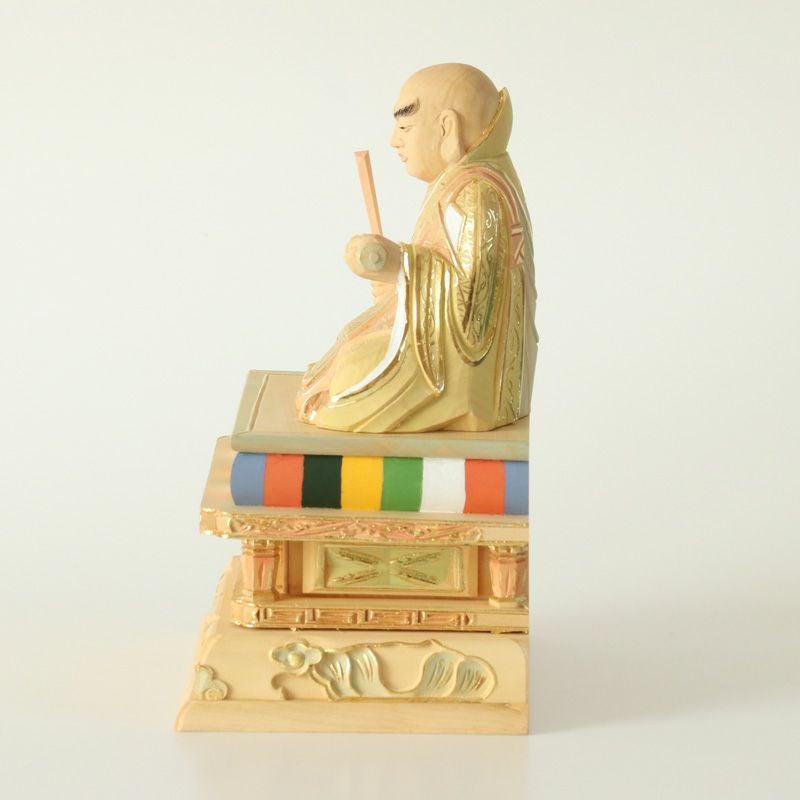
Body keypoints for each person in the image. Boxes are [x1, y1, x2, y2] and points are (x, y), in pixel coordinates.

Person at [296, 63, 538, 432]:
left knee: (349, 374)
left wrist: (398, 264)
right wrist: (397, 284)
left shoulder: (476, 194)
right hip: (439, 343)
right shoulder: (455, 185)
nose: (394, 141)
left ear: (446, 129)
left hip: (465, 373)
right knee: (348, 345)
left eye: (405, 127)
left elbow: (472, 308)